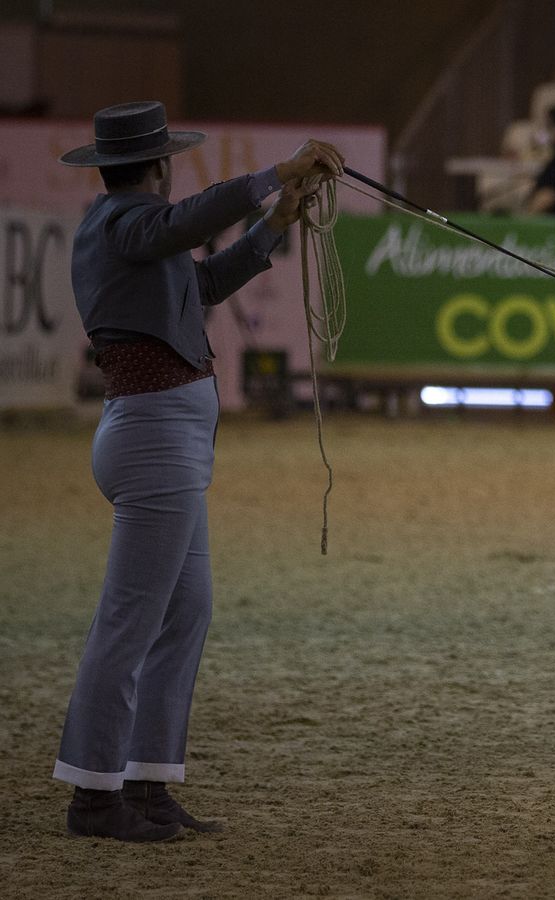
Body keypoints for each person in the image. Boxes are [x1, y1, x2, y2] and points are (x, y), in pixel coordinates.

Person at [54, 100, 344, 841]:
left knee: (185, 613)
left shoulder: (133, 234)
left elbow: (204, 284)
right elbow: (182, 227)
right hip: (155, 440)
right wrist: (271, 174)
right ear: (158, 166)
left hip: (164, 440)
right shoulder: (123, 224)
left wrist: (275, 223)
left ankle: (149, 781)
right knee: (130, 621)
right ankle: (93, 793)